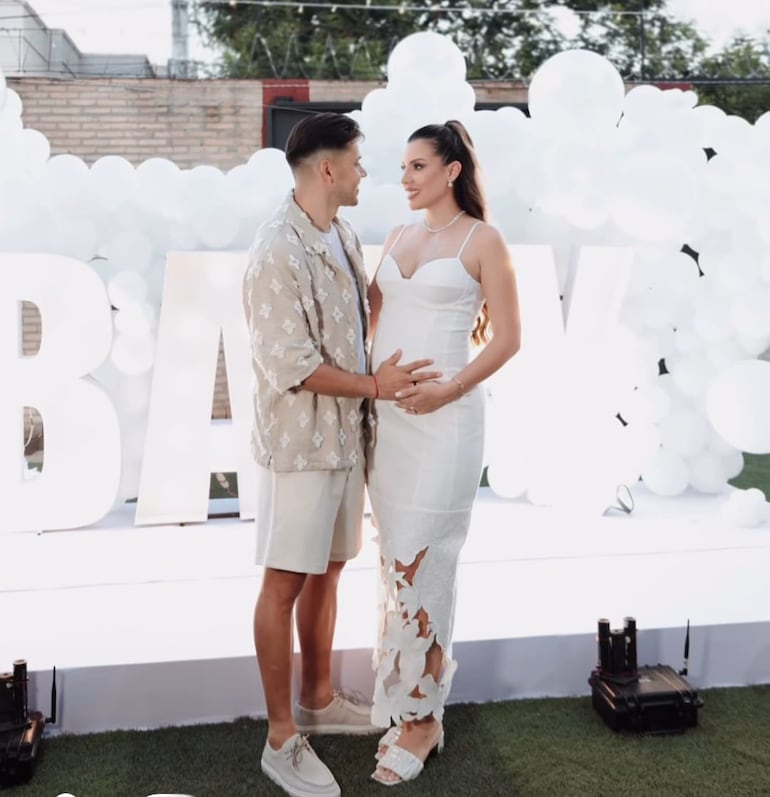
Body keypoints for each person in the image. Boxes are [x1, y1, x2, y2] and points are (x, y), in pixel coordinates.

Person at [242, 112, 441, 797]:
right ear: (328, 169)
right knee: (284, 582)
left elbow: (358, 321)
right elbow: (290, 365)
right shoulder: (276, 250)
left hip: (345, 440)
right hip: (300, 449)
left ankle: (318, 699)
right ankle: (280, 739)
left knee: (327, 571)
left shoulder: (342, 232)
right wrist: (376, 385)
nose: (365, 172)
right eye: (357, 161)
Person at [366, 120, 521, 786]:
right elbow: (370, 319)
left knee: (427, 560)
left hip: (446, 422)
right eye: (403, 167)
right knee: (393, 563)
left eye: (419, 166)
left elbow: (508, 338)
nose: (405, 178)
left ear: (452, 171)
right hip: (389, 425)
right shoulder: (396, 236)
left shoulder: (483, 240)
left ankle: (425, 721)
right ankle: (407, 702)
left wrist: (448, 389)